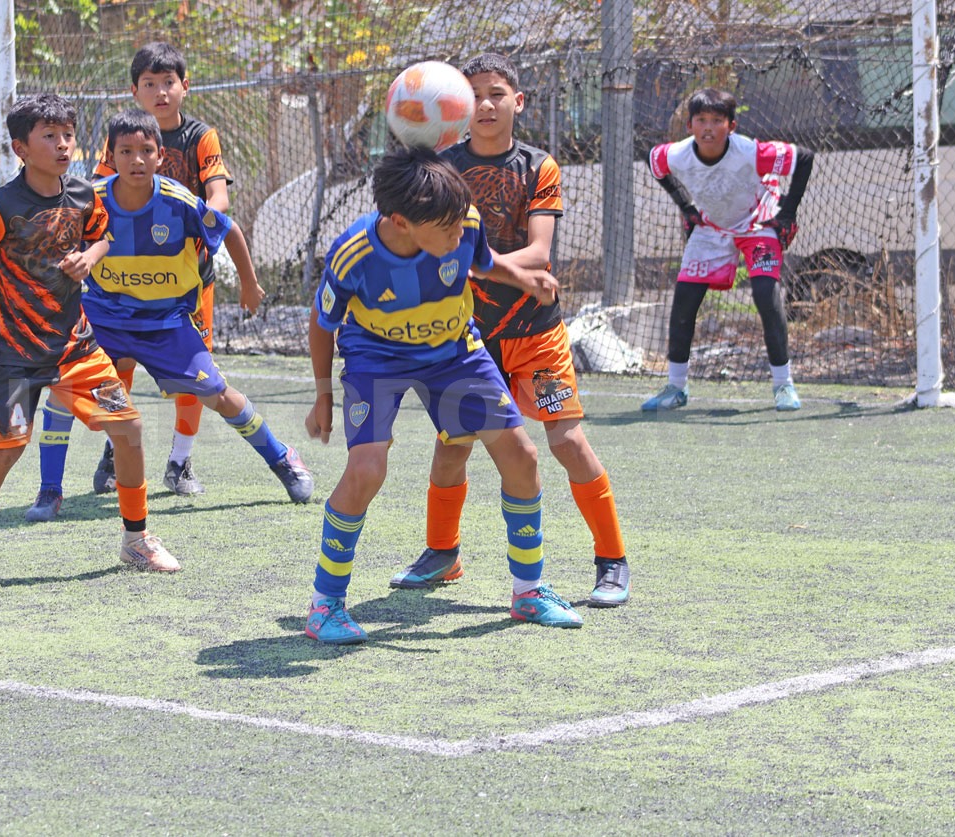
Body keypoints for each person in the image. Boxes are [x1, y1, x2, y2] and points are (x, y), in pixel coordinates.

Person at [301, 146, 584, 644]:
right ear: (401, 223)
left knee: (521, 456)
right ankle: (325, 605)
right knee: (366, 469)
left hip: (453, 351)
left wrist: (523, 277)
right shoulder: (353, 254)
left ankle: (528, 591)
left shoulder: (461, 220)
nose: (459, 235)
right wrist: (323, 395)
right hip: (376, 357)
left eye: (460, 226)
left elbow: (483, 262)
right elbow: (323, 325)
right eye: (447, 231)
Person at [388, 53, 631, 608]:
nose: (485, 104)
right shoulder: (441, 168)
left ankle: (612, 559)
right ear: (457, 105)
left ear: (517, 102)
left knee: (566, 441)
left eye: (496, 93)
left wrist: (468, 264)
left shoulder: (538, 166)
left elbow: (540, 253)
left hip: (535, 333)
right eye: (473, 94)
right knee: (453, 444)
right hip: (469, 338)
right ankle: (442, 553)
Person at [0, 93, 178, 587]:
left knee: (129, 430)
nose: (63, 144)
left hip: (76, 347)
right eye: (49, 136)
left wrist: (90, 257)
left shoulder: (85, 195)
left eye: (68, 134)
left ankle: (136, 539)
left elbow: (102, 236)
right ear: (21, 148)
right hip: (14, 353)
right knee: (8, 446)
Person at [26, 41, 237, 521]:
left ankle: (180, 462)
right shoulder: (120, 137)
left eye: (168, 82)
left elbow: (218, 198)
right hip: (121, 277)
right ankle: (114, 449)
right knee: (113, 364)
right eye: (150, 84)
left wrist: (201, 225)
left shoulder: (201, 137)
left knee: (194, 375)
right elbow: (95, 196)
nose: (160, 92)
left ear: (185, 86)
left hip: (183, 276)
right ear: (134, 91)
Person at [81, 109, 312, 507]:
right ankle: (55, 487)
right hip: (109, 316)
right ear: (111, 156)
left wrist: (249, 284)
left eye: (146, 150)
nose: (136, 159)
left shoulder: (178, 200)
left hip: (167, 321)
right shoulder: (89, 201)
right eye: (126, 151)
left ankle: (281, 457)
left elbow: (229, 227)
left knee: (216, 393)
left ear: (160, 156)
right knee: (63, 383)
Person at [642, 87, 815, 413]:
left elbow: (804, 157)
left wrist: (787, 213)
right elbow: (654, 162)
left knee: (765, 293)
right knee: (684, 300)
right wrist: (686, 206)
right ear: (690, 125)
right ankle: (676, 387)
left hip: (759, 223)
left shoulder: (751, 151)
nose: (708, 128)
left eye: (717, 120)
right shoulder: (676, 154)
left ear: (731, 126)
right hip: (711, 228)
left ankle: (783, 384)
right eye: (701, 120)